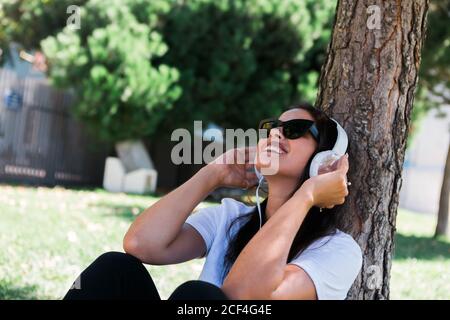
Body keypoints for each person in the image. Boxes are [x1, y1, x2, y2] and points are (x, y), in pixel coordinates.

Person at [64, 102, 362, 300]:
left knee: (200, 299)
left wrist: (307, 195)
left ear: (323, 159)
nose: (275, 134)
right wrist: (212, 175)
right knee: (115, 269)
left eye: (294, 130)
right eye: (271, 127)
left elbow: (243, 295)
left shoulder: (338, 250)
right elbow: (141, 243)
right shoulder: (231, 217)